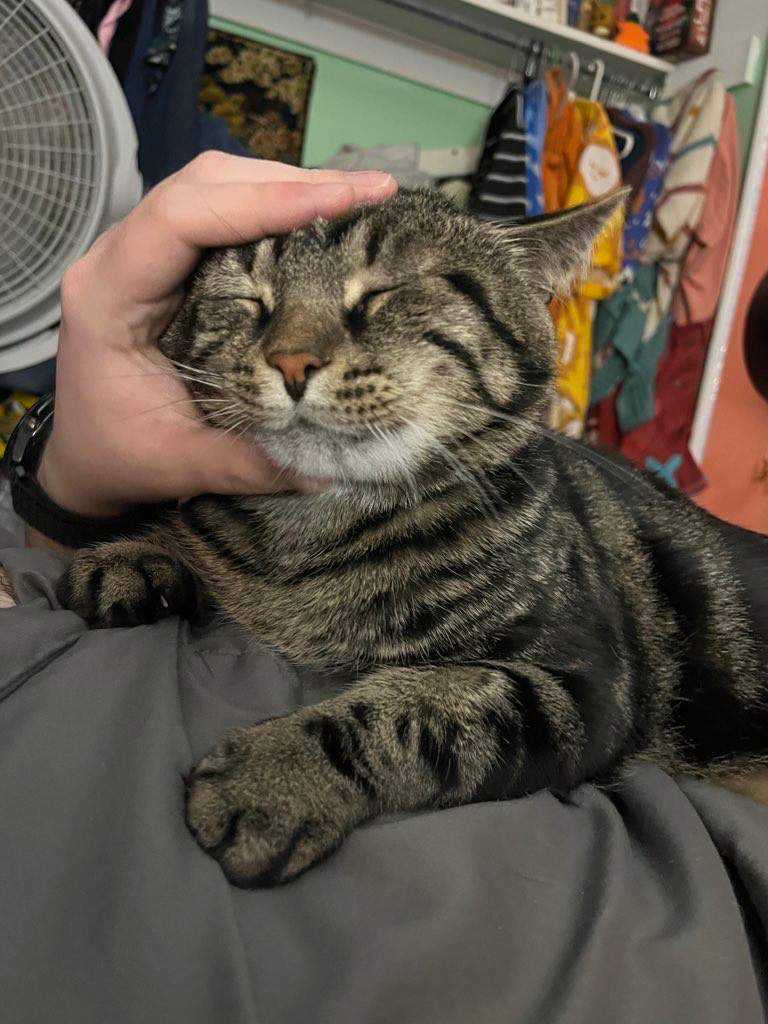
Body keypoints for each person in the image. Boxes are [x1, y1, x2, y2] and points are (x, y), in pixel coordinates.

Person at [2, 155, 768, 1024]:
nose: (294, 356)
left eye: (385, 301)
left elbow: (576, 705)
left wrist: (345, 759)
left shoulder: (511, 529)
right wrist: (107, 510)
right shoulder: (191, 502)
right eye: (245, 310)